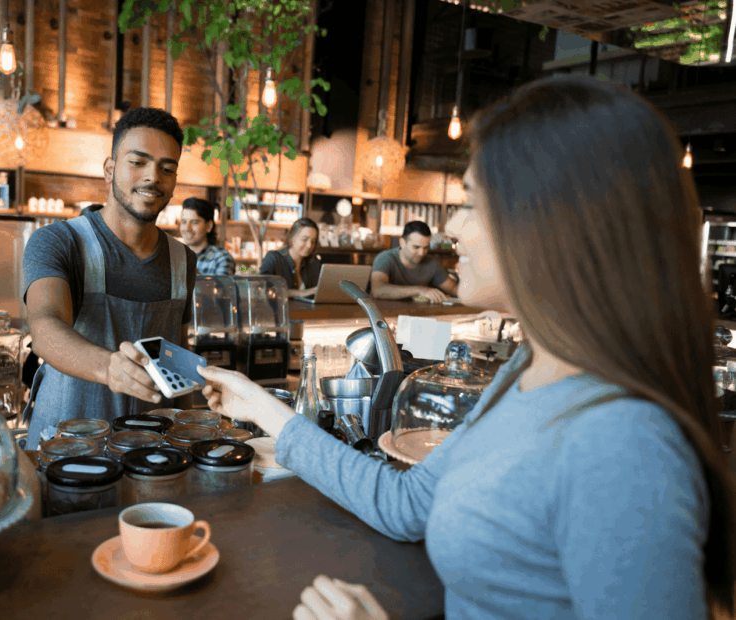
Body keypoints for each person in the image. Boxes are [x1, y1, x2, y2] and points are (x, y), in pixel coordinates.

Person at [198, 75, 736, 620]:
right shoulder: (525, 371)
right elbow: (405, 504)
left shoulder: (622, 448)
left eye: (471, 204)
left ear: (550, 228)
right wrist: (259, 406)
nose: (451, 228)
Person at [21, 107, 197, 450]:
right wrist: (109, 368)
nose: (153, 177)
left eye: (167, 168)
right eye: (137, 162)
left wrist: (189, 428)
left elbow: (178, 350)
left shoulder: (183, 259)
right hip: (66, 448)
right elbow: (44, 327)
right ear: (109, 169)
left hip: (152, 452)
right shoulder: (60, 241)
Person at [369, 220, 458, 303]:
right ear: (402, 242)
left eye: (426, 248)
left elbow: (454, 289)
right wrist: (421, 290)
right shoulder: (385, 258)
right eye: (416, 247)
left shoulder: (432, 263)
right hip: (380, 314)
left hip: (417, 314)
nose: (421, 253)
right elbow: (378, 290)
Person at [259, 218, 322, 298]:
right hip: (280, 310)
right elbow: (262, 288)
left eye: (313, 241)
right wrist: (302, 293)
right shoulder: (273, 258)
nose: (309, 245)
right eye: (304, 239)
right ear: (292, 238)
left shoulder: (314, 263)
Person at [179, 197, 235, 275]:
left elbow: (222, 287)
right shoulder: (175, 256)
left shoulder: (221, 258)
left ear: (209, 226)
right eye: (184, 222)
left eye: (194, 222)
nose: (187, 228)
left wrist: (190, 272)